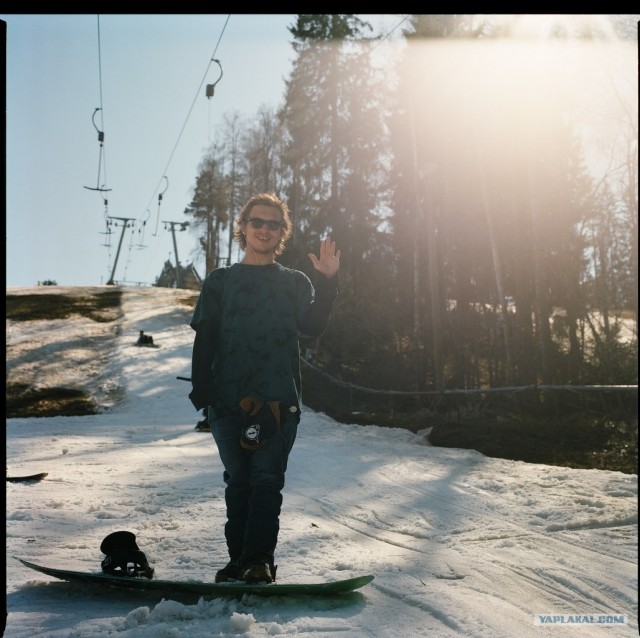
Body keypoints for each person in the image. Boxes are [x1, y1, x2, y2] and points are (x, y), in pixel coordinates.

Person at [188, 192, 340, 584]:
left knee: (267, 481)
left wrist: (328, 282)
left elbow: (312, 328)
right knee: (238, 482)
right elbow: (205, 337)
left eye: (274, 224)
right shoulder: (221, 282)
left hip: (278, 399)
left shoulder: (293, 283)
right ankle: (238, 559)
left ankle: (258, 560)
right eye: (257, 222)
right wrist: (202, 391)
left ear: (282, 232)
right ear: (243, 226)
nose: (264, 229)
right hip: (227, 400)